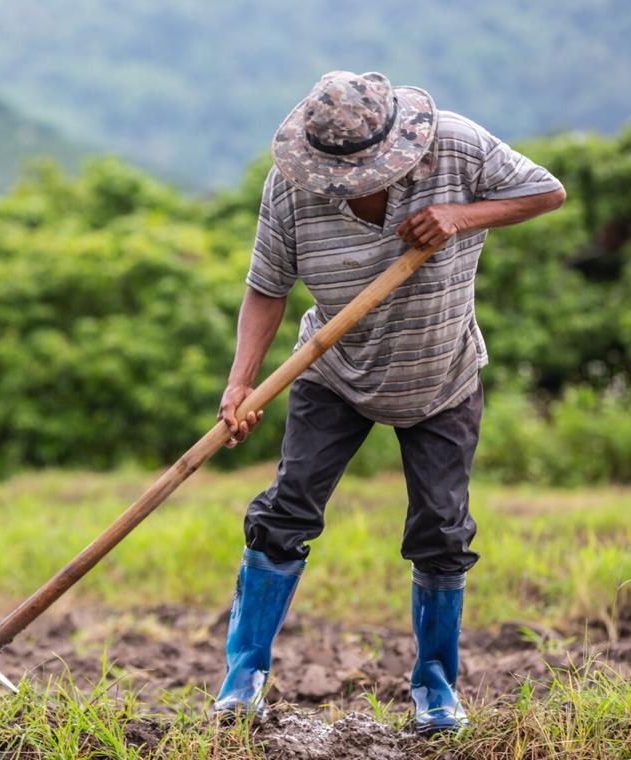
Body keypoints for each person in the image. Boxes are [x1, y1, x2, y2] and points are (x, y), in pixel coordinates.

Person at [212, 72, 565, 735]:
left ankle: (435, 690)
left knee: (441, 529)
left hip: (442, 374)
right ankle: (243, 681)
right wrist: (241, 383)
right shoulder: (291, 187)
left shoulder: (457, 146)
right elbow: (267, 286)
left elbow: (547, 191)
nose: (346, 185)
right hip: (333, 369)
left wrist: (461, 215)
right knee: (286, 511)